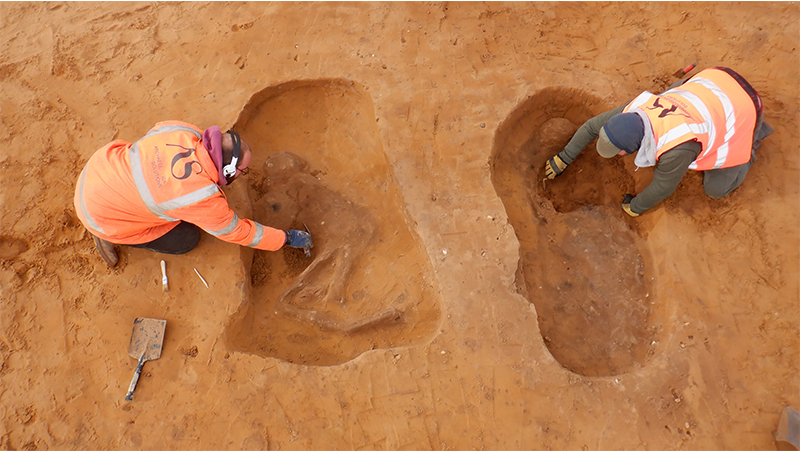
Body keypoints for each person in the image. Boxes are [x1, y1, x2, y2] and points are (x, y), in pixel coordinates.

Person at [73, 120, 313, 267]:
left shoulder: (182, 130)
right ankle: (108, 235)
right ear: (228, 170)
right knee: (187, 238)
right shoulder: (200, 197)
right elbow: (236, 231)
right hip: (101, 215)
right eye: (243, 170)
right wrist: (286, 238)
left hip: (98, 170)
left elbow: (154, 132)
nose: (244, 174)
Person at [544, 66, 774, 217]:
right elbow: (592, 126)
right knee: (671, 92)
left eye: (619, 152)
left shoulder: (677, 147)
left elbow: (664, 187)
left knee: (716, 190)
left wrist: (635, 207)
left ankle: (751, 141)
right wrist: (563, 158)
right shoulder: (633, 110)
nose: (618, 156)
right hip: (715, 78)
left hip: (745, 106)